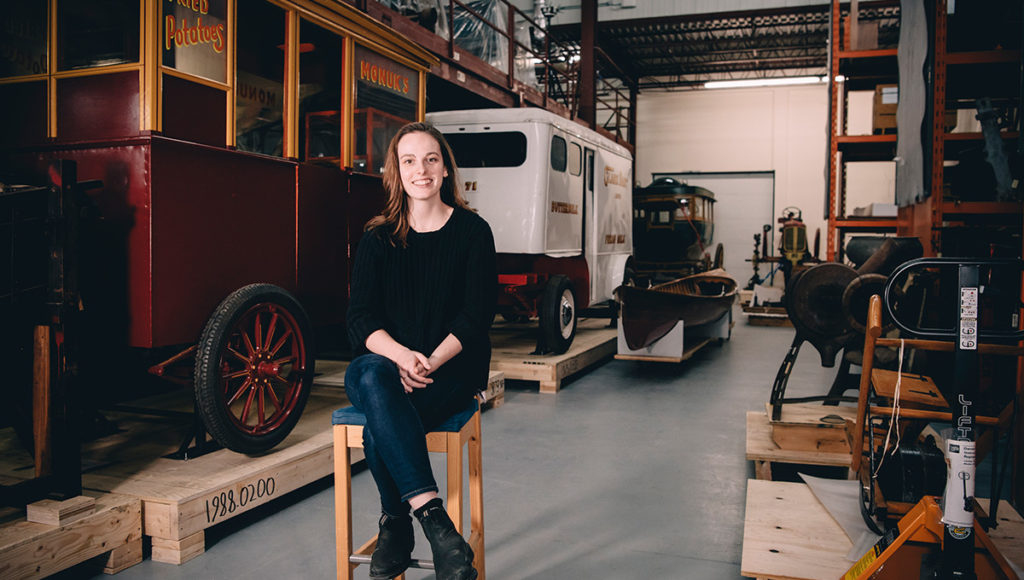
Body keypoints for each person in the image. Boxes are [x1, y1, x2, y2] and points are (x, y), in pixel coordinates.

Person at [344, 122, 496, 580]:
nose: (421, 169)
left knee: (377, 429)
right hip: (386, 368)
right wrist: (401, 357)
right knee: (372, 375)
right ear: (396, 172)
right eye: (408, 160)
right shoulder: (378, 236)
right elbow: (360, 320)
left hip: (449, 372)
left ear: (446, 169)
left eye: (431, 159)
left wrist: (426, 362)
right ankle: (435, 521)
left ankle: (397, 524)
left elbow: (476, 316)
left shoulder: (473, 232)